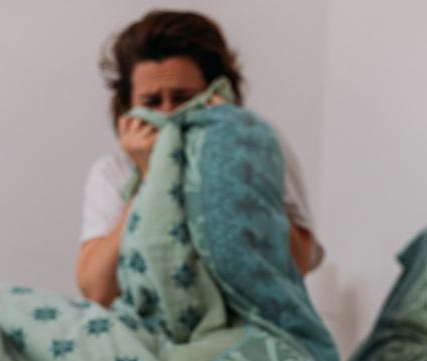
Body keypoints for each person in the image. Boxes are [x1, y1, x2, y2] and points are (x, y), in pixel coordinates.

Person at [76, 10, 324, 308]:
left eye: (183, 97)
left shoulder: (261, 144)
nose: (168, 114)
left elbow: (297, 263)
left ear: (214, 94)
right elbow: (98, 292)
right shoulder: (112, 173)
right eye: (152, 102)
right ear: (128, 108)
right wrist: (148, 177)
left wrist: (236, 159)